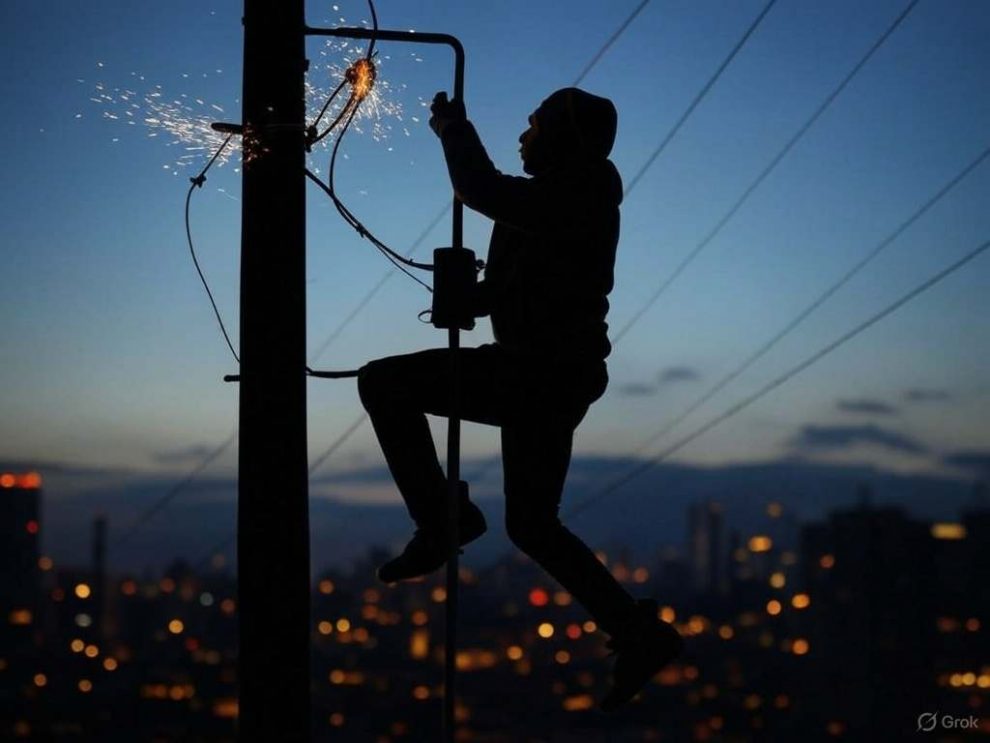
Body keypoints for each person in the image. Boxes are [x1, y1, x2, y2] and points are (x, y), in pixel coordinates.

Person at [357, 87, 682, 711]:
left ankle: (441, 521)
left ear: (563, 138)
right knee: (532, 525)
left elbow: (479, 187)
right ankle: (637, 632)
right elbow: (516, 285)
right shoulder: (550, 202)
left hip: (539, 373)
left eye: (533, 127)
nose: (522, 137)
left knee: (383, 382)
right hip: (546, 374)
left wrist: (452, 127)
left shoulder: (579, 193)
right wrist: (467, 298)